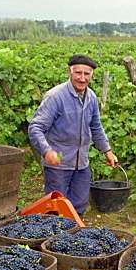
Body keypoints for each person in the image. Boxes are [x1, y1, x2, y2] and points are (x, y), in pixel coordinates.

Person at [27, 54, 118, 216]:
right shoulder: (56, 97)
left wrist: (107, 151)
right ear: (70, 72)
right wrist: (47, 151)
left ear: (91, 75)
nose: (82, 78)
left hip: (81, 163)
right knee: (56, 208)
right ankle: (53, 240)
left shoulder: (90, 97)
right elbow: (35, 128)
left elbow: (96, 126)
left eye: (87, 74)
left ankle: (74, 238)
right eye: (78, 73)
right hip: (58, 165)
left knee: (79, 207)